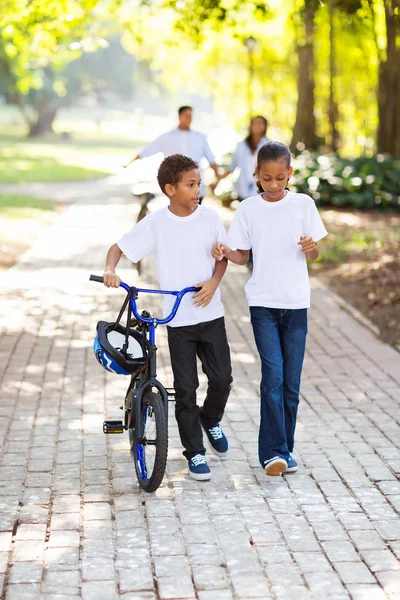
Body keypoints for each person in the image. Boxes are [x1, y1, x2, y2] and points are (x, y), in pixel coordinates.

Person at [103, 154, 232, 481]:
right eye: (191, 185)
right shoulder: (156, 223)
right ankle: (195, 453)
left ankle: (211, 419)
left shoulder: (210, 218)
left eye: (199, 184)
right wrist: (110, 270)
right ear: (170, 189)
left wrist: (215, 279)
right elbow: (118, 248)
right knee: (185, 389)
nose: (198, 190)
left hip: (211, 314)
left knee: (222, 379)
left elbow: (222, 258)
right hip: (179, 323)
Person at [212, 141, 327, 477]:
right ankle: (272, 453)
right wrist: (225, 251)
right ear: (256, 176)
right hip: (263, 303)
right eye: (266, 179)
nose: (274, 185)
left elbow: (315, 254)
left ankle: (286, 450)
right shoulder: (248, 209)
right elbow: (242, 255)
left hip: (296, 305)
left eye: (280, 178)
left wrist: (311, 248)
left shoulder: (303, 205)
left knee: (291, 383)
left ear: (290, 174)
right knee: (273, 376)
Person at [124, 106, 220, 203]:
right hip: (175, 187)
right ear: (179, 116)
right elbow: (147, 151)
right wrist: (129, 162)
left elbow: (211, 160)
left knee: (194, 215)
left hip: (195, 188)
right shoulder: (167, 137)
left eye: (190, 116)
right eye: (186, 116)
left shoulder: (200, 138)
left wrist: (217, 179)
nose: (189, 119)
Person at [214, 116, 269, 201]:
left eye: (260, 123)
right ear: (250, 126)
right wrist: (219, 179)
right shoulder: (241, 145)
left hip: (263, 190)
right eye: (254, 123)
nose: (257, 125)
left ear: (265, 127)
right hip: (243, 190)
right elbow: (232, 166)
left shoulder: (270, 145)